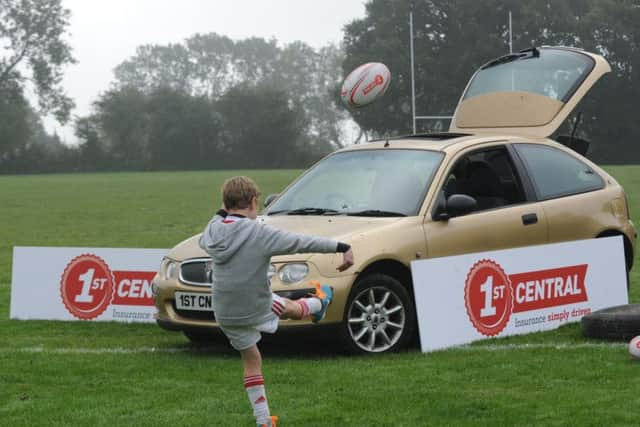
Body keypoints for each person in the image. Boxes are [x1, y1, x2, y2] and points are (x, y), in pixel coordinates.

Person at [199, 176, 354, 427]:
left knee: (251, 359)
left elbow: (212, 226)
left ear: (225, 204)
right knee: (290, 309)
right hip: (255, 304)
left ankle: (263, 420)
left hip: (225, 311)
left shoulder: (212, 230)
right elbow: (301, 242)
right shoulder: (259, 232)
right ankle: (319, 303)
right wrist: (341, 246)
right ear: (253, 201)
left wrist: (223, 210)